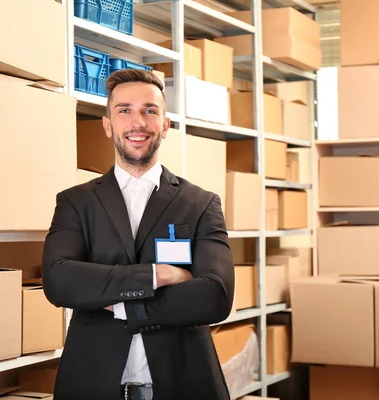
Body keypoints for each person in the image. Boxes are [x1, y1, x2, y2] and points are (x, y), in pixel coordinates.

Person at [42, 68, 235, 400]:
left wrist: (119, 305)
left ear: (165, 125)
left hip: (183, 383)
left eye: (150, 110)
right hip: (92, 385)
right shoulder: (76, 202)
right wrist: (155, 275)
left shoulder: (201, 204)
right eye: (124, 110)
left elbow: (215, 296)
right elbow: (59, 280)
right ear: (107, 125)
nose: (138, 122)